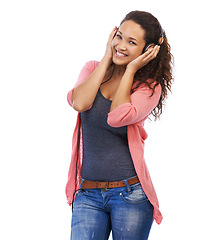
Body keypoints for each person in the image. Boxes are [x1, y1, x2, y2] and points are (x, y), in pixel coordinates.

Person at [66, 10, 173, 240]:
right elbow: (79, 102)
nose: (121, 45)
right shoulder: (92, 68)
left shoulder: (148, 87)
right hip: (87, 193)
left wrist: (131, 69)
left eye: (132, 42)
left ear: (147, 51)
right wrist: (106, 59)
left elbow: (117, 116)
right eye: (119, 36)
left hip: (130, 195)